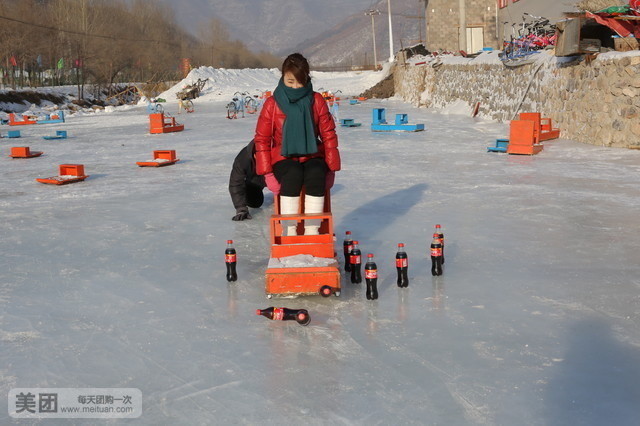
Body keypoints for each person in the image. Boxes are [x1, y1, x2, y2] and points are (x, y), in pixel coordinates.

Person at [254, 53, 340, 236]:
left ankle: (312, 230)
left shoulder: (316, 100)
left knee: (316, 171)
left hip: (312, 154)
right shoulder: (272, 103)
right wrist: (267, 173)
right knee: (293, 173)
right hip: (283, 157)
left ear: (307, 78)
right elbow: (262, 139)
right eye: (290, 81)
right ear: (283, 77)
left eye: (300, 81)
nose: (295, 86)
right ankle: (289, 230)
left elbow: (328, 135)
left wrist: (331, 169)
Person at [228, 140, 266, 221]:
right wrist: (241, 208)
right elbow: (235, 183)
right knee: (255, 202)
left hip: (276, 177)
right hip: (257, 181)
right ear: (254, 155)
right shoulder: (242, 159)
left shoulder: (274, 151)